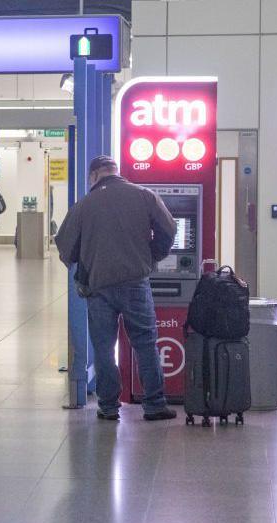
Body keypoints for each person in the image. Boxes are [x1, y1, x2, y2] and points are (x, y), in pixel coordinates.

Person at [55, 155, 178, 422]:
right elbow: (169, 229)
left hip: (98, 287)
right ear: (115, 172)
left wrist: (85, 266)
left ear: (93, 176)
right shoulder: (144, 195)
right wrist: (151, 256)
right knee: (145, 344)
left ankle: (109, 406)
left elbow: (65, 246)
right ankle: (154, 405)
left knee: (103, 346)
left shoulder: (84, 205)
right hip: (136, 282)